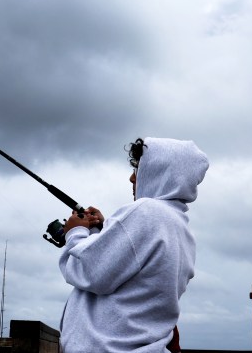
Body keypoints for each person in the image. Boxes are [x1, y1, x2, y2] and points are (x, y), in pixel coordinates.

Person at [58, 137, 209, 353]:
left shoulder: (147, 212)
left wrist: (75, 233)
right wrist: (104, 232)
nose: (131, 178)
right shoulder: (179, 227)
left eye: (138, 169)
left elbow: (88, 271)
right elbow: (128, 270)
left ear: (159, 171)